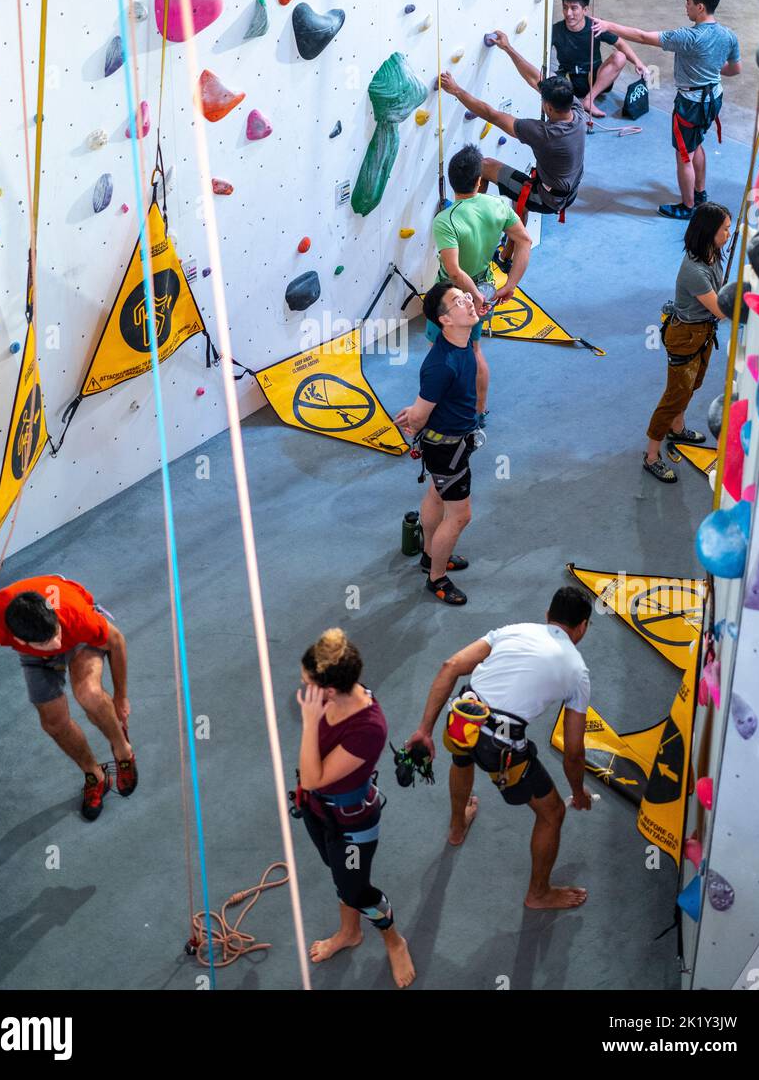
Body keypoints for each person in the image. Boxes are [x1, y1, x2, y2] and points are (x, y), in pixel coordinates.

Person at [406, 587, 593, 910]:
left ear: (547, 616)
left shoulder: (513, 629)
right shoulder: (578, 672)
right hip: (501, 748)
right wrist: (577, 793)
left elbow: (451, 665)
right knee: (552, 813)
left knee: (462, 758)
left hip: (463, 719)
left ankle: (456, 827)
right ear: (583, 627)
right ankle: (538, 894)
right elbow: (574, 750)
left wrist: (424, 730)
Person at [0, 574, 136, 821]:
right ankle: (95, 774)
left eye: (55, 633)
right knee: (53, 723)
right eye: (51, 641)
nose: (58, 642)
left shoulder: (76, 616)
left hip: (77, 636)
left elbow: (116, 641)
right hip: (37, 655)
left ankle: (123, 751)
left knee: (88, 692)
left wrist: (121, 696)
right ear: (18, 641)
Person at [295, 628, 415, 989]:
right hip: (317, 811)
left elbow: (314, 776)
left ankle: (395, 941)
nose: (302, 689)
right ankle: (350, 933)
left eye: (308, 683)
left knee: (358, 890)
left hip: (351, 826)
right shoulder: (334, 696)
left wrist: (309, 722)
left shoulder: (368, 729)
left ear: (330, 690)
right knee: (339, 875)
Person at [592, 0, 741, 219]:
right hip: (714, 97)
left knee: (684, 155)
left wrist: (609, 25)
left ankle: (688, 206)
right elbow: (735, 69)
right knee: (697, 143)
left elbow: (642, 36)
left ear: (700, 7)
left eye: (689, 2)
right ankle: (699, 193)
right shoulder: (728, 36)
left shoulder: (688, 37)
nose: (686, 6)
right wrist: (711, 68)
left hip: (691, 103)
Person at [440, 39, 586, 269]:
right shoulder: (576, 112)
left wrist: (456, 90)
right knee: (521, 195)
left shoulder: (545, 134)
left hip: (548, 197)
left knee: (485, 165)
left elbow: (492, 115)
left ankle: (473, 223)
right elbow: (537, 79)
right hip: (566, 191)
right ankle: (506, 257)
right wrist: (508, 48)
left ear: (548, 107)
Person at [429, 143, 532, 425]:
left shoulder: (445, 219)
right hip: (485, 287)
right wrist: (510, 284)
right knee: (474, 350)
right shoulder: (497, 206)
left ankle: (437, 408)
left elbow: (454, 271)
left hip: (452, 297)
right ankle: (478, 412)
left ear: (452, 182)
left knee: (437, 351)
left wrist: (473, 298)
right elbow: (524, 241)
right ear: (478, 180)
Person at [395, 281, 480, 605]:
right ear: (444, 319)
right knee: (460, 516)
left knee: (435, 492)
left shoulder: (462, 341)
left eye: (466, 297)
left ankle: (431, 556)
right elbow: (418, 416)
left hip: (452, 442)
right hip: (447, 449)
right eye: (460, 302)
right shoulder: (440, 365)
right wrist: (414, 416)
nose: (469, 303)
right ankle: (437, 578)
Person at [644, 203, 731, 482]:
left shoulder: (712, 254)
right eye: (725, 229)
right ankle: (652, 456)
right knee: (673, 397)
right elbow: (721, 310)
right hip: (685, 337)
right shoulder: (694, 271)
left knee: (693, 384)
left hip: (703, 334)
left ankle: (677, 428)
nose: (728, 234)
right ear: (709, 233)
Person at [552, 0, 647, 118]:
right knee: (549, 77)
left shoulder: (596, 26)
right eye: (565, 7)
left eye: (574, 8)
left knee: (620, 56)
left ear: (585, 10)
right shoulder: (556, 30)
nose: (568, 13)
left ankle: (589, 100)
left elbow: (620, 43)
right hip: (568, 81)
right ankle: (573, 101)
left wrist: (638, 63)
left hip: (595, 79)